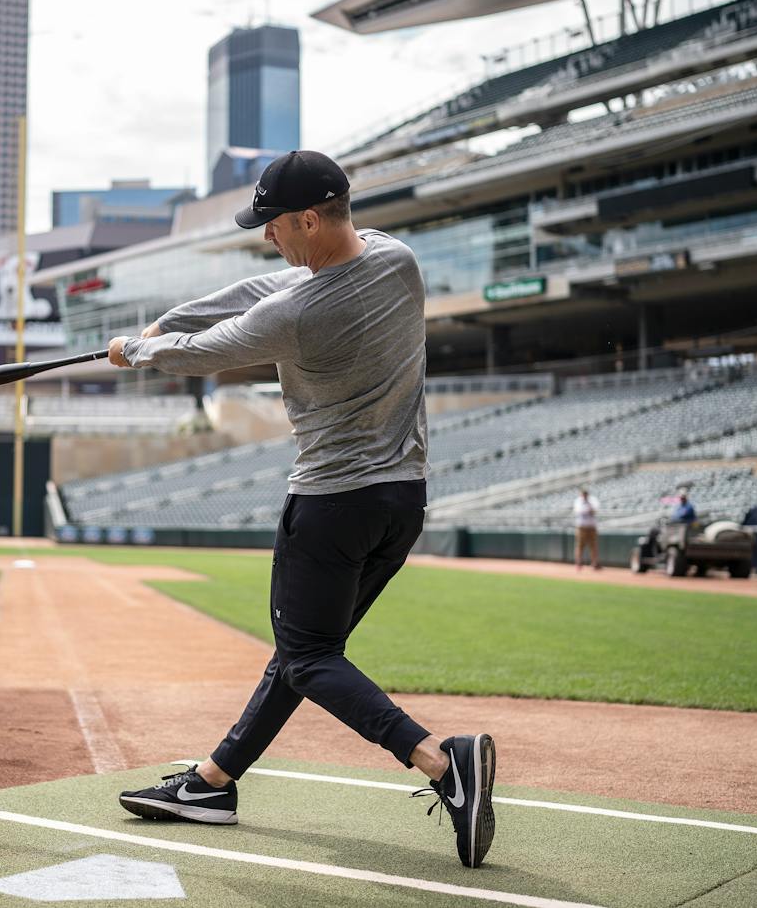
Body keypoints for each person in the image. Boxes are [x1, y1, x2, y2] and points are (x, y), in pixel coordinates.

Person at [105, 150, 496, 869]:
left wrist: (137, 349)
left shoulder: (300, 313)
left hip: (331, 502)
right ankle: (212, 784)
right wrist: (170, 318)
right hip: (401, 497)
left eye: (274, 224)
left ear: (309, 218)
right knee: (302, 650)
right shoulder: (395, 258)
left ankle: (443, 763)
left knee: (310, 656)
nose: (266, 235)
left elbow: (208, 349)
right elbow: (264, 283)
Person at [572, 488, 600, 570]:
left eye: (586, 494)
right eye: (583, 494)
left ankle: (594, 563)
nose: (585, 495)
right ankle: (579, 563)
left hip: (591, 526)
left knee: (594, 545)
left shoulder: (593, 500)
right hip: (581, 527)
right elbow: (579, 511)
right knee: (580, 545)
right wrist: (588, 509)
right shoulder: (578, 501)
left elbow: (595, 510)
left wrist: (589, 508)